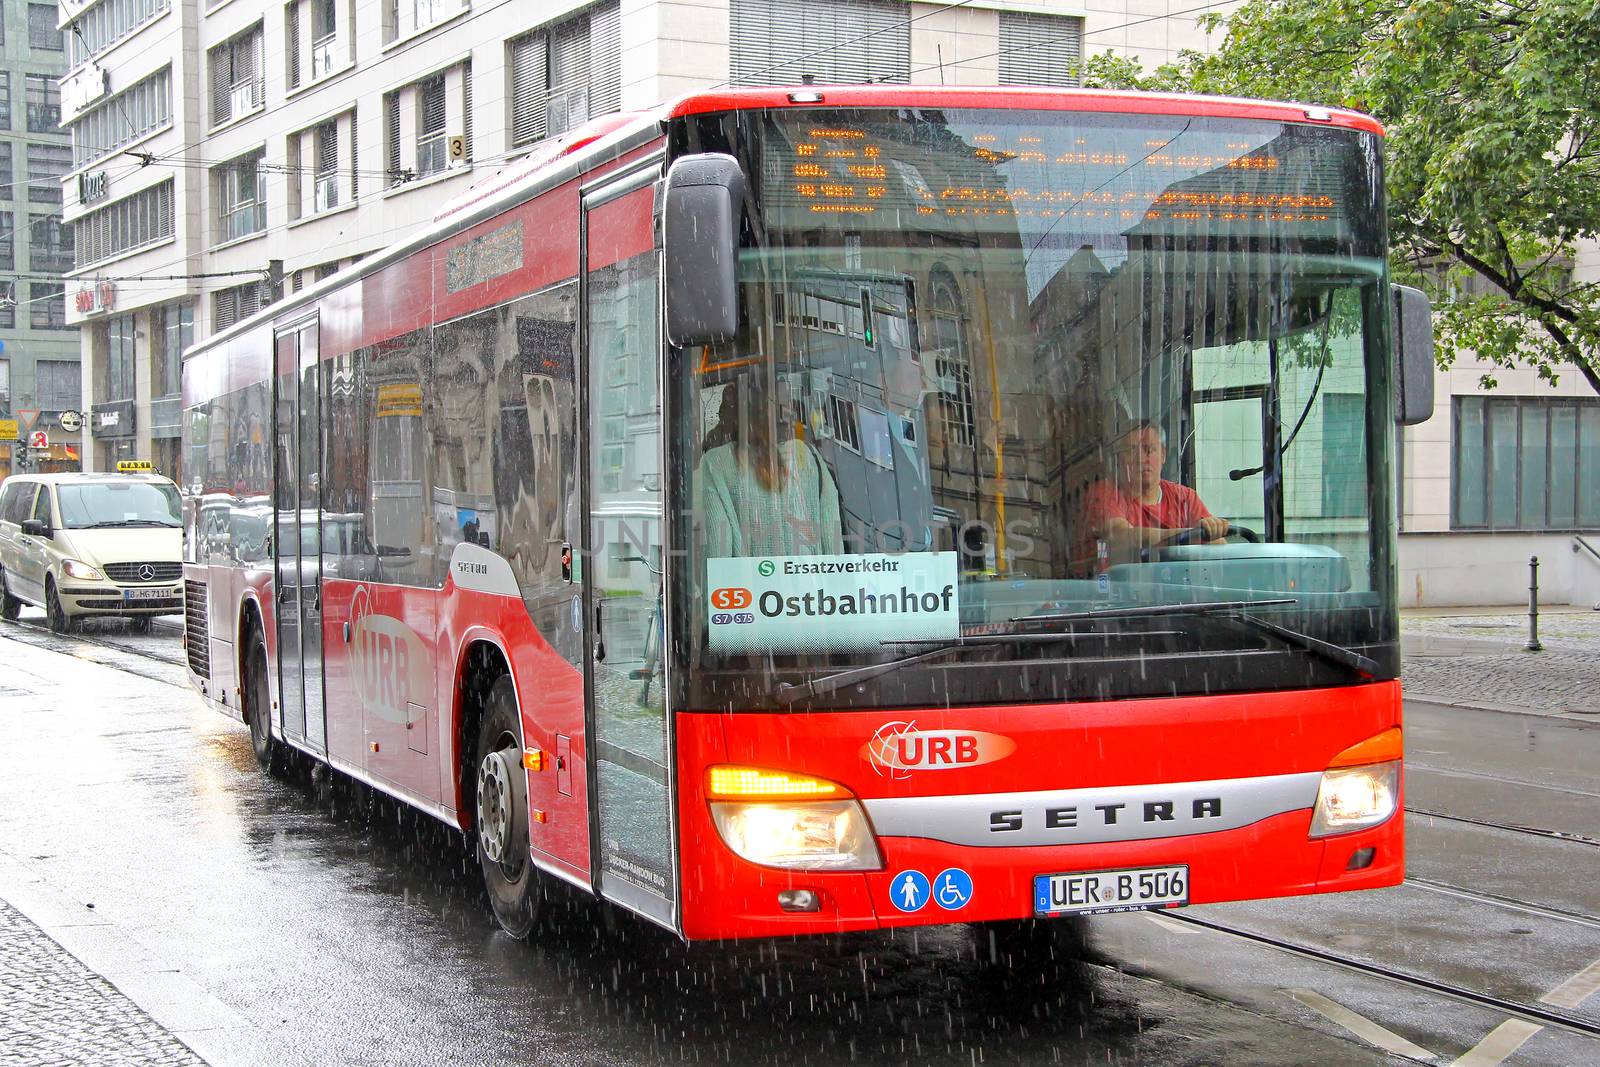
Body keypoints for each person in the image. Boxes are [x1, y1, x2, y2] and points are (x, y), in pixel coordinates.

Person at [696, 377, 844, 557]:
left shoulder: (716, 462)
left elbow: (718, 550)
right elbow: (833, 546)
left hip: (749, 584)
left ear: (734, 416)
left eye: (724, 412)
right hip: (808, 584)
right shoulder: (808, 456)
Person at [1080, 420, 1229, 569]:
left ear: (1163, 455)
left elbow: (1218, 545)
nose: (1141, 459)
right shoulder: (1104, 492)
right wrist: (1187, 535)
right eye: (1131, 450)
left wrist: (1210, 531)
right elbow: (1120, 536)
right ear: (1119, 459)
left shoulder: (1186, 497)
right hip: (1114, 587)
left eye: (1149, 449)